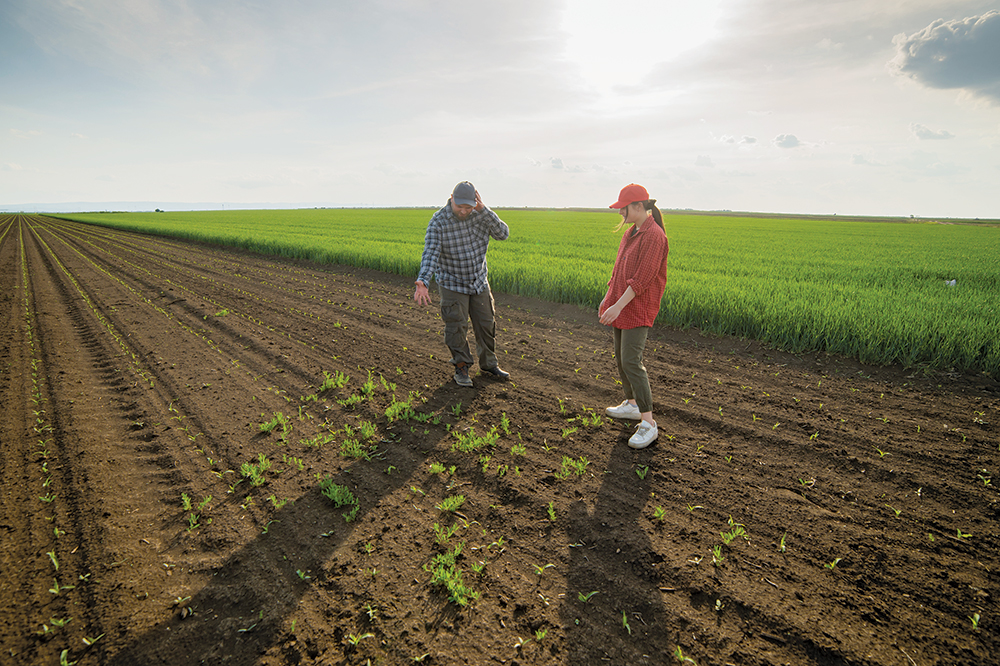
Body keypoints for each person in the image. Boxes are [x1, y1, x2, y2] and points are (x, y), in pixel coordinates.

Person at [414, 181, 511, 387]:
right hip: (452, 282)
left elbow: (503, 234)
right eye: (461, 207)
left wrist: (484, 210)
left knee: (486, 323)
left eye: (469, 207)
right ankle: (461, 367)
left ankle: (489, 364)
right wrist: (423, 280)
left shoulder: (481, 216)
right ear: (452, 199)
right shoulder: (439, 221)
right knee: (456, 326)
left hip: (478, 280)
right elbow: (430, 253)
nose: (464, 211)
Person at [599, 184, 669, 449]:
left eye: (623, 208)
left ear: (639, 206)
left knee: (631, 361)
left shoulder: (654, 236)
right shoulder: (631, 233)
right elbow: (619, 271)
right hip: (621, 303)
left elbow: (641, 280)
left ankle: (648, 423)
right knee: (620, 357)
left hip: (638, 307)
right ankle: (631, 404)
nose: (621, 213)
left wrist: (618, 305)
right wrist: (609, 298)